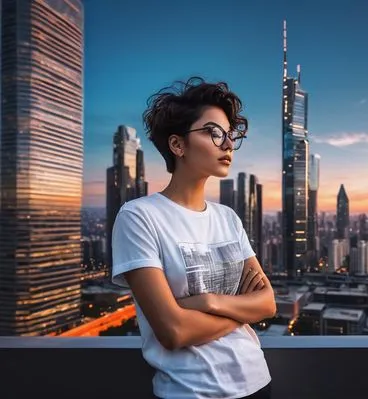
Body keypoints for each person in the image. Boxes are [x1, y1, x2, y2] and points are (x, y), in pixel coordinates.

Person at [111, 77, 275, 399]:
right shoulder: (139, 217)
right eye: (214, 132)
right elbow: (174, 331)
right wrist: (242, 311)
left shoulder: (228, 218)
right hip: (190, 392)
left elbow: (267, 303)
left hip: (257, 382)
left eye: (230, 135)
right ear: (177, 145)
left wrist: (207, 303)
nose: (227, 144)